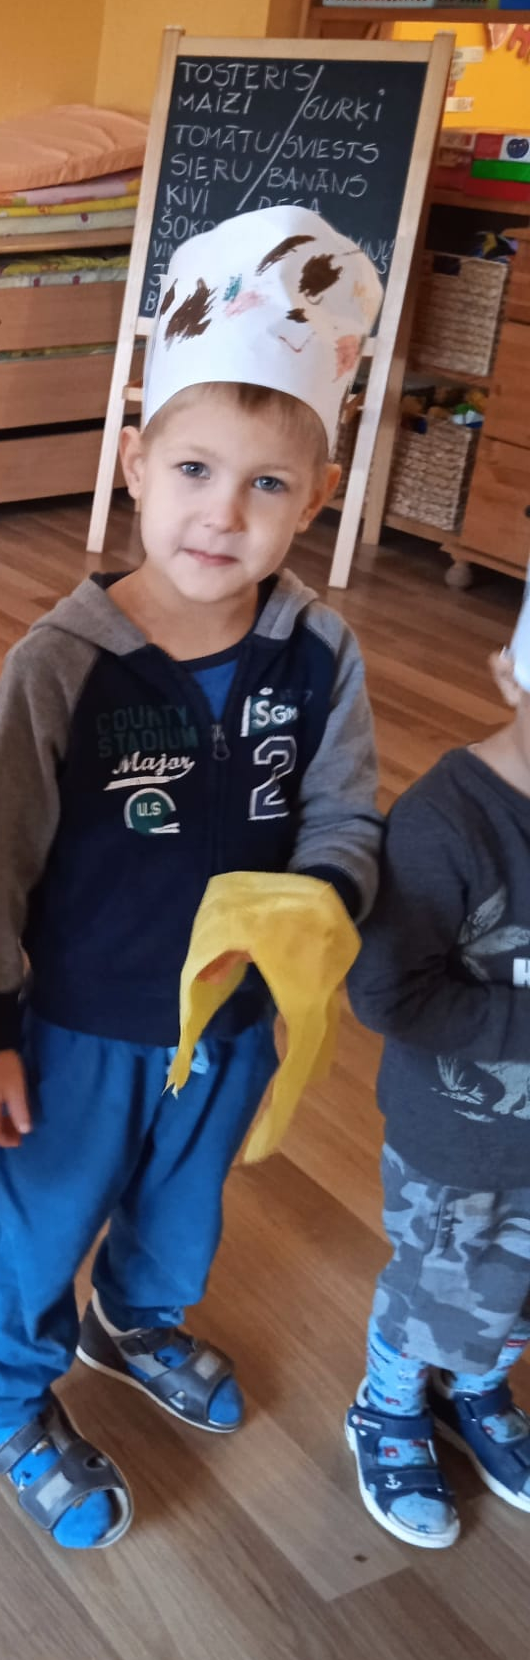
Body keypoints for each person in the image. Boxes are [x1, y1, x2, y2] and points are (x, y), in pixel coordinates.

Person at [0, 207, 384, 1549]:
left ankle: (133, 1320)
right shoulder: (62, 663)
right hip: (79, 1025)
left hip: (233, 1021)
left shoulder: (321, 653)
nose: (224, 513)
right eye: (195, 468)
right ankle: (5, 1391)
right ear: (137, 462)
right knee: (40, 1219)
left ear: (316, 496)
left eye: (267, 485)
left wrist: (318, 911)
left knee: (183, 1209)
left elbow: (343, 815)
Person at [344, 620, 530, 1548]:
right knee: (439, 1284)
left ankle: (478, 1385)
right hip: (459, 1140)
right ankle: (387, 1402)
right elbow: (387, 993)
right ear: (510, 675)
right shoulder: (444, 822)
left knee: (516, 1287)